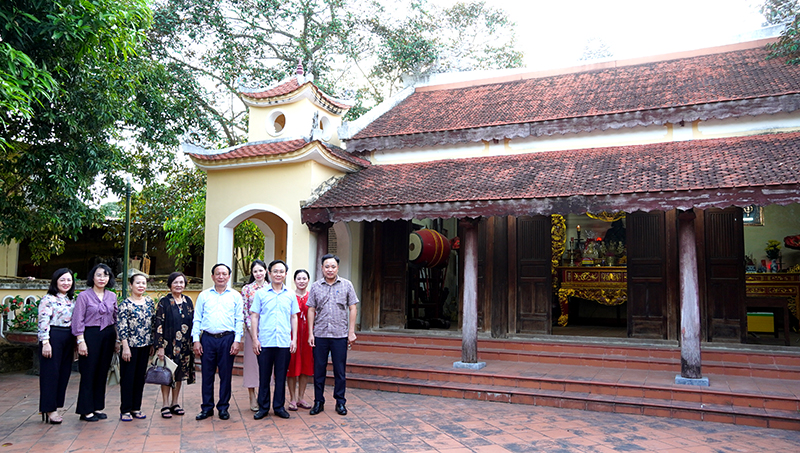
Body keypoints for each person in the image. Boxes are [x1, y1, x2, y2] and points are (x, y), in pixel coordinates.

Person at [307, 254, 359, 416]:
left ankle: (340, 402)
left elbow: (352, 308)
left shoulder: (347, 285)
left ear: (338, 268)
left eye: (333, 266)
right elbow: (311, 309)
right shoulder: (316, 287)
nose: (330, 269)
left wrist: (351, 332)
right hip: (320, 334)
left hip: (339, 335)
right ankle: (318, 402)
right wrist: (310, 333)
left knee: (339, 371)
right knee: (319, 370)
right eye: (327, 267)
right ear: (322, 268)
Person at [193, 263, 243, 421]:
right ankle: (207, 407)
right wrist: (196, 340)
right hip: (207, 339)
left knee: (225, 375)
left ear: (229, 276)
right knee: (207, 375)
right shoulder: (204, 295)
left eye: (224, 273)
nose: (221, 276)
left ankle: (223, 407)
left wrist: (237, 341)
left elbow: (239, 319)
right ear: (212, 276)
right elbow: (197, 318)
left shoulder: (235, 296)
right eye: (218, 273)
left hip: (227, 339)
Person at [249, 259, 299, 420]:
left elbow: (294, 317)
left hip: (284, 341)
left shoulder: (290, 294)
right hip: (265, 341)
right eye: (275, 271)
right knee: (264, 376)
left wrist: (294, 339)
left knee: (281, 375)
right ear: (269, 273)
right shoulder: (261, 293)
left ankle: (279, 407)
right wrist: (255, 339)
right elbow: (254, 316)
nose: (278, 274)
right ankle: (263, 407)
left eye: (281, 271)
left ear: (285, 274)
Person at [72, 263, 118, 422]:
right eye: (99, 275)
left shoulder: (112, 296)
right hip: (90, 335)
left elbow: (116, 318)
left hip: (108, 335)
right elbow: (78, 320)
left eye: (105, 275)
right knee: (88, 372)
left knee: (101, 372)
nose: (102, 278)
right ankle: (85, 410)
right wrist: (81, 341)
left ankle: (97, 406)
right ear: (93, 276)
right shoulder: (83, 296)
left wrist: (118, 340)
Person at [37, 268, 77, 424]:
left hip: (68, 338)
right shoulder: (48, 299)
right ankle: (49, 409)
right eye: (62, 280)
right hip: (52, 337)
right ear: (55, 281)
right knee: (50, 374)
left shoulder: (72, 300)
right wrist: (45, 342)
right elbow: (43, 321)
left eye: (68, 280)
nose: (66, 283)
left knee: (63, 373)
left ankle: (56, 405)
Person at [154, 272, 195, 419]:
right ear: (170, 284)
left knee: (179, 375)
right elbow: (158, 324)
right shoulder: (164, 302)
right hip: (168, 345)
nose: (179, 285)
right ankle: (165, 404)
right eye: (175, 282)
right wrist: (160, 346)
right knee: (166, 374)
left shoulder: (188, 301)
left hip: (184, 346)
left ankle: (175, 403)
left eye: (181, 282)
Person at [117, 272, 155, 422]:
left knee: (140, 378)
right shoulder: (125, 304)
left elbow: (152, 325)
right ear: (131, 285)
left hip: (145, 346)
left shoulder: (149, 302)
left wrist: (152, 343)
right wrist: (124, 346)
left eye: (143, 283)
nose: (141, 286)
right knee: (128, 378)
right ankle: (125, 409)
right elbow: (122, 327)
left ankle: (136, 408)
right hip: (130, 346)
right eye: (138, 283)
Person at [240, 260, 268, 412]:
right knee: (251, 366)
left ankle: (264, 396)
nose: (258, 274)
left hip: (268, 333)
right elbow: (245, 312)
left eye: (261, 270)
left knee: (266, 366)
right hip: (252, 332)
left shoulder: (271, 288)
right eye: (255, 271)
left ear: (266, 271)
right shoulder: (247, 289)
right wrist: (253, 332)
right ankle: (252, 396)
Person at [287, 269, 313, 411]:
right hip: (292, 336)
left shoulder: (312, 296)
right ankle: (291, 398)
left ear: (308, 280)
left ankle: (301, 397)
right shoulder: (290, 296)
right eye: (299, 278)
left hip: (308, 336)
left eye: (304, 278)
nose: (301, 281)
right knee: (292, 367)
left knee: (305, 366)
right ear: (294, 280)